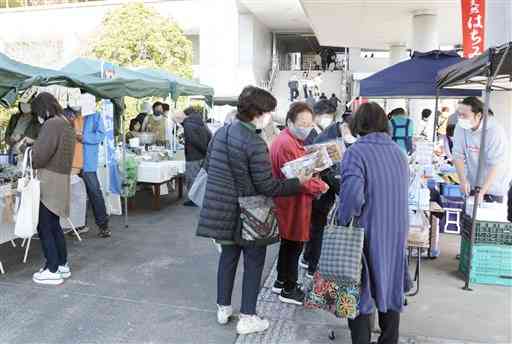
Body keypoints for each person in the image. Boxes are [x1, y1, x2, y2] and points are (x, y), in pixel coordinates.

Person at [196, 86, 311, 335]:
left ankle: (223, 307)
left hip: (221, 209)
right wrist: (298, 182)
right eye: (268, 112)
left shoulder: (221, 133)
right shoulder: (255, 143)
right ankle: (248, 316)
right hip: (250, 213)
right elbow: (267, 185)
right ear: (258, 113)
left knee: (227, 259)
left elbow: (208, 167)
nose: (269, 116)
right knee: (253, 262)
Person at [339, 102, 409, 344]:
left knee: (359, 289)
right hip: (396, 232)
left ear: (358, 124)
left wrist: (342, 220)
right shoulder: (399, 153)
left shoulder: (355, 152)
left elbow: (352, 197)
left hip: (366, 233)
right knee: (390, 286)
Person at [271, 102, 329, 306]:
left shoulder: (290, 140)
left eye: (309, 123)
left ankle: (280, 281)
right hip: (291, 202)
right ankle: (289, 287)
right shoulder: (286, 143)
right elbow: (299, 179)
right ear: (289, 122)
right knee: (294, 245)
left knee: (288, 244)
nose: (307, 127)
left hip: (291, 201)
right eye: (302, 123)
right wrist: (320, 186)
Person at [30, 93, 76, 285]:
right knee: (54, 224)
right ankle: (62, 264)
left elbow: (41, 155)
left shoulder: (51, 124)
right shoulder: (65, 122)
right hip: (62, 177)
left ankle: (52, 268)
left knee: (44, 226)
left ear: (43, 108)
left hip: (49, 178)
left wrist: (31, 152)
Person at [453, 96, 509, 203]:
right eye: (459, 114)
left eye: (464, 115)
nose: (461, 118)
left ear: (478, 115)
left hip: (494, 186)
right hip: (474, 183)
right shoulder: (460, 127)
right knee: (469, 216)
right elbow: (457, 155)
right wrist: (463, 180)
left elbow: (496, 165)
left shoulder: (495, 131)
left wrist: (483, 192)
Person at [175, 106, 212, 207]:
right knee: (199, 178)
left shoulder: (188, 124)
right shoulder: (200, 122)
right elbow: (210, 136)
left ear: (186, 115)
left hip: (193, 155)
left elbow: (193, 140)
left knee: (192, 178)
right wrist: (206, 151)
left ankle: (194, 199)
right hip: (202, 155)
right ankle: (199, 197)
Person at [82, 109, 111, 238]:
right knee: (75, 194)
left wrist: (84, 137)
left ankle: (103, 225)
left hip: (88, 161)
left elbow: (101, 135)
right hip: (71, 160)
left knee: (94, 192)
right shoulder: (67, 112)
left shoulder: (94, 114)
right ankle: (78, 225)